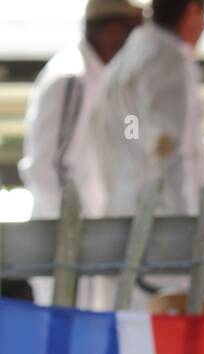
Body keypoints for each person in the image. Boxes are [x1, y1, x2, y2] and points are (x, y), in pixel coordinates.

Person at [93, 0, 204, 309]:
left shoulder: (126, 58)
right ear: (192, 10)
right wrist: (187, 234)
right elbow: (170, 153)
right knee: (179, 350)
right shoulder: (167, 57)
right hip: (166, 239)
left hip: (126, 221)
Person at [18, 0, 145, 306]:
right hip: (68, 247)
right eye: (136, 31)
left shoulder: (99, 75)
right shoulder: (72, 76)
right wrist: (77, 232)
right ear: (114, 30)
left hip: (86, 245)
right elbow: (46, 167)